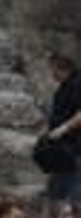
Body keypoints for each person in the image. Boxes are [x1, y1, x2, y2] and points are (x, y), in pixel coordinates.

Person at [39, 53, 81, 203]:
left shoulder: (77, 84)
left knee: (74, 192)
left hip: (74, 149)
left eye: (53, 69)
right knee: (56, 193)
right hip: (62, 150)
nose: (51, 74)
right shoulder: (64, 87)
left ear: (63, 68)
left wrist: (63, 128)